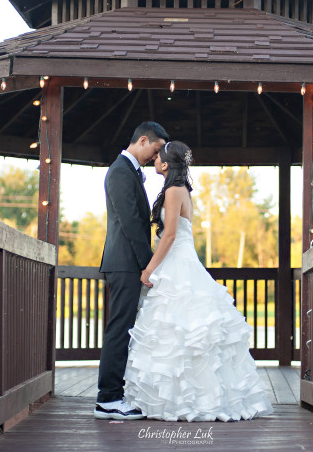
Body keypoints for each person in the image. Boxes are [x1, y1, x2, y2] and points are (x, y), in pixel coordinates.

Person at [123, 141, 274, 421]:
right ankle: (194, 399)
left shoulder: (172, 190)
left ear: (166, 165)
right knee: (186, 333)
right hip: (183, 262)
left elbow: (168, 236)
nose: (155, 159)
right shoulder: (183, 190)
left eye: (158, 157)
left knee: (176, 331)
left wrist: (148, 270)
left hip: (176, 263)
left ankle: (180, 402)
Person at [95, 121, 170, 420]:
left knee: (124, 328)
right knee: (119, 329)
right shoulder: (120, 172)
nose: (155, 157)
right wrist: (147, 265)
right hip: (125, 263)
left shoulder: (128, 172)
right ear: (142, 140)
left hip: (127, 263)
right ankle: (108, 399)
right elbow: (129, 223)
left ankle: (114, 394)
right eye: (154, 150)